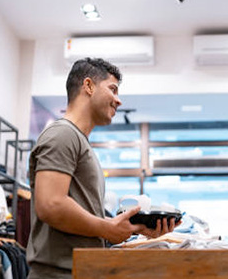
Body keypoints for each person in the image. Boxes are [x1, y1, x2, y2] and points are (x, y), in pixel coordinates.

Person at [26, 58, 177, 278]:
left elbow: (82, 219)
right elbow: (51, 204)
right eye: (113, 89)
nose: (119, 100)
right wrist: (107, 229)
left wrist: (133, 229)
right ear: (88, 86)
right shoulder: (63, 134)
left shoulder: (77, 140)